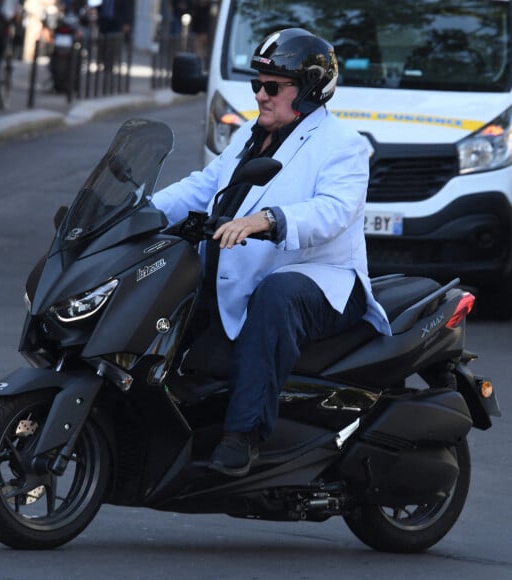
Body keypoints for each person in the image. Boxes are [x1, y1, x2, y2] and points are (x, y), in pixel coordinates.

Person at [152, 28, 391, 477]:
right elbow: (202, 188)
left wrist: (268, 220)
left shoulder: (343, 144)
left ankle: (242, 437)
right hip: (245, 274)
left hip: (325, 279)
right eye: (257, 84)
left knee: (276, 295)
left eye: (273, 86)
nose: (260, 95)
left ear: (310, 89)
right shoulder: (251, 134)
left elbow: (334, 211)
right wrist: (136, 212)